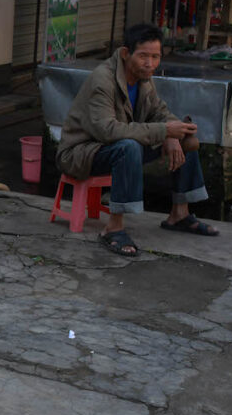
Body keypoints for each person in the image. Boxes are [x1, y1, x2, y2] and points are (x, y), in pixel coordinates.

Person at [57, 22, 219, 257]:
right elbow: (108, 131)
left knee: (185, 138)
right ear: (126, 53)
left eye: (155, 56)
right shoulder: (103, 80)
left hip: (113, 146)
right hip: (82, 152)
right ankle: (113, 228)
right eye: (143, 56)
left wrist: (173, 135)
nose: (150, 63)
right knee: (128, 146)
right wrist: (164, 131)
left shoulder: (144, 78)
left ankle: (180, 214)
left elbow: (160, 111)